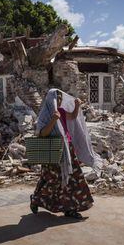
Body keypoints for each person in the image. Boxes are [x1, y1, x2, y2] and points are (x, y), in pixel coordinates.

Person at [30, 89, 101, 219]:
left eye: (61, 99)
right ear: (51, 100)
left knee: (73, 179)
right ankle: (36, 199)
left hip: (67, 150)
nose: (60, 101)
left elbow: (73, 117)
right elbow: (42, 133)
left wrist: (77, 106)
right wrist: (53, 120)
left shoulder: (61, 112)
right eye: (58, 99)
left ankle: (70, 209)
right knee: (53, 181)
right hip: (52, 150)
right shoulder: (44, 115)